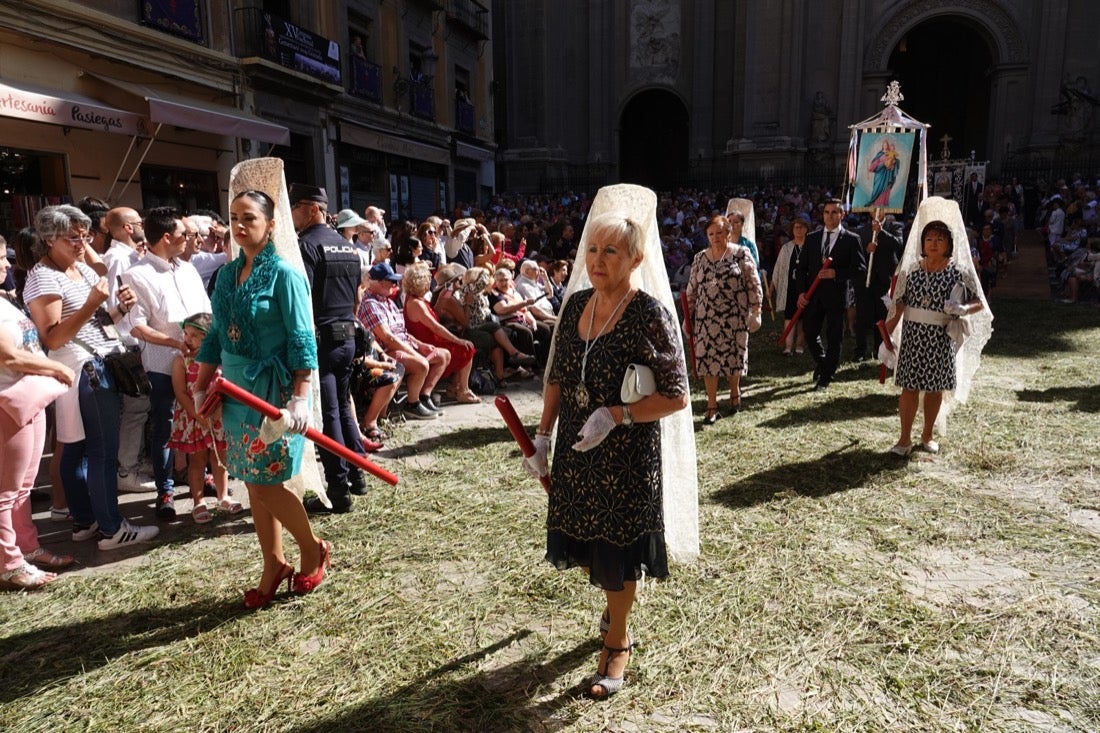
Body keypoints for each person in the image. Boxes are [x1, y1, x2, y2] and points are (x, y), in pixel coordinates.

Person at [523, 185, 695, 700]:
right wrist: (542, 436)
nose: (598, 261)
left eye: (611, 252)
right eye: (592, 250)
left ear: (635, 258)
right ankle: (617, 606)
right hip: (578, 451)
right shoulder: (576, 302)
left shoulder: (648, 313)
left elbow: (677, 396)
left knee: (616, 553)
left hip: (624, 457)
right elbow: (556, 375)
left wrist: (617, 414)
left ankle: (617, 640)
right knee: (587, 550)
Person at [194, 189, 327, 609]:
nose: (239, 225)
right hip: (233, 393)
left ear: (271, 225)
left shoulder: (285, 275)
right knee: (252, 482)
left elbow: (302, 339)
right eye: (234, 217)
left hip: (273, 394)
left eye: (249, 218)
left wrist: (300, 398)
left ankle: (312, 548)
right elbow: (215, 333)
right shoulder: (227, 275)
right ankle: (273, 562)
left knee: (263, 480)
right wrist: (201, 383)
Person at [24, 205, 160, 550]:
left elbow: (96, 323)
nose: (81, 242)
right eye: (73, 237)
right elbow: (52, 337)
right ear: (49, 239)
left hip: (94, 364)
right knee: (98, 449)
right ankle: (112, 528)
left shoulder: (79, 270)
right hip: (83, 369)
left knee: (80, 448)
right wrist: (92, 303)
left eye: (84, 235)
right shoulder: (43, 276)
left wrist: (117, 309)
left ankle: (86, 521)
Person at [882, 197, 992, 455]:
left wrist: (964, 309)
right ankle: (904, 439)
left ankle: (927, 435)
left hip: (940, 338)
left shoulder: (958, 273)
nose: (933, 244)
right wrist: (885, 336)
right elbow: (898, 305)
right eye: (929, 239)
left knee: (933, 389)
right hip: (912, 337)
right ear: (922, 243)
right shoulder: (911, 271)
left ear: (949, 245)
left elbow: (979, 301)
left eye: (939, 240)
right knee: (908, 388)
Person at [123, 207, 213, 519]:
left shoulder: (187, 269)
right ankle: (166, 491)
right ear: (166, 237)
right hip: (163, 365)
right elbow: (138, 326)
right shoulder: (136, 275)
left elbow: (206, 310)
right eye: (184, 235)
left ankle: (206, 480)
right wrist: (177, 343)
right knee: (166, 427)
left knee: (205, 417)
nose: (190, 239)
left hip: (202, 364)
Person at [291, 184, 371, 515]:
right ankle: (357, 474)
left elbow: (302, 298)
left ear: (311, 209)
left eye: (295, 207)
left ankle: (338, 489)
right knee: (343, 406)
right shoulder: (348, 247)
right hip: (347, 335)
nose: (291, 215)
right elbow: (357, 296)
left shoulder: (306, 246)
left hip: (322, 337)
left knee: (331, 414)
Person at [0, 253, 75, 590]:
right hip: (7, 401)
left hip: (27, 397)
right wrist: (56, 368)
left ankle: (26, 547)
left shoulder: (5, 298)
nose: (6, 267)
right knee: (6, 489)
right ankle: (9, 565)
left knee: (23, 487)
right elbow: (9, 356)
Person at [684, 215, 763, 423]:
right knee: (708, 361)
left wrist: (756, 311)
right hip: (706, 319)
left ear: (728, 233)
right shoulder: (700, 258)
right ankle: (712, 406)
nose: (715, 237)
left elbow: (753, 284)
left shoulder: (741, 254)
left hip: (734, 317)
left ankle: (734, 390)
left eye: (720, 232)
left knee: (732, 358)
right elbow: (691, 290)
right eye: (711, 234)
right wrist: (687, 317)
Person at [167, 313, 241, 523]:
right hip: (194, 418)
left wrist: (217, 410)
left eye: (194, 335)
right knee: (197, 460)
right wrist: (197, 415)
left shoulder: (220, 357)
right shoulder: (181, 360)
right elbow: (180, 392)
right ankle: (198, 501)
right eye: (186, 334)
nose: (187, 339)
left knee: (220, 457)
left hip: (217, 416)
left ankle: (223, 495)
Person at [358, 261, 450, 420]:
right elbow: (387, 338)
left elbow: (402, 332)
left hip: (402, 345)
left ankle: (424, 397)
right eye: (391, 281)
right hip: (386, 352)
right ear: (380, 283)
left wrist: (420, 345)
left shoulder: (388, 302)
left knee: (443, 355)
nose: (395, 284)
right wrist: (412, 352)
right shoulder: (370, 304)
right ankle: (412, 404)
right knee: (421, 364)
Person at [796, 198, 866, 390]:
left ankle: (826, 377)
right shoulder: (812, 238)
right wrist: (802, 292)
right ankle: (824, 362)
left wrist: (837, 274)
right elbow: (801, 269)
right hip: (813, 295)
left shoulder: (852, 239)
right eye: (826, 212)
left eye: (834, 212)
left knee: (834, 336)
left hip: (836, 296)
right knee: (810, 332)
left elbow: (860, 269)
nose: (830, 216)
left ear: (842, 214)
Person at [401, 263, 479, 404]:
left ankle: (456, 387)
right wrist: (458, 340)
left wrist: (441, 300)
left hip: (429, 338)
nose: (429, 285)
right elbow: (436, 327)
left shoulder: (418, 299)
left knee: (465, 346)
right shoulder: (416, 303)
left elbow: (433, 316)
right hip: (427, 342)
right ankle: (462, 390)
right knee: (466, 348)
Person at [853, 213, 904, 361]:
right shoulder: (861, 230)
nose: (878, 210)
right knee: (862, 315)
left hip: (884, 279)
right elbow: (857, 253)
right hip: (865, 280)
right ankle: (860, 350)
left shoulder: (894, 227)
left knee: (882, 315)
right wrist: (867, 250)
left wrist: (881, 232)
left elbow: (898, 245)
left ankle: (879, 349)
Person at [772, 217, 808, 356]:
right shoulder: (786, 248)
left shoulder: (810, 246)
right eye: (796, 228)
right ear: (792, 230)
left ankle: (799, 346)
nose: (798, 230)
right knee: (789, 317)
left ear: (806, 229)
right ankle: (788, 347)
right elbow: (778, 268)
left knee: (802, 318)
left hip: (805, 288)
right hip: (789, 288)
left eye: (801, 227)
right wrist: (771, 287)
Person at [866, 137, 900, 208]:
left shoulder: (890, 153)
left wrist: (893, 163)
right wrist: (880, 165)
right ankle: (875, 202)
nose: (885, 146)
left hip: (887, 174)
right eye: (884, 144)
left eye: (886, 145)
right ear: (882, 145)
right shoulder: (880, 154)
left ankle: (884, 202)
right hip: (880, 173)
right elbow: (875, 162)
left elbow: (894, 161)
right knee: (877, 187)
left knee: (886, 187)